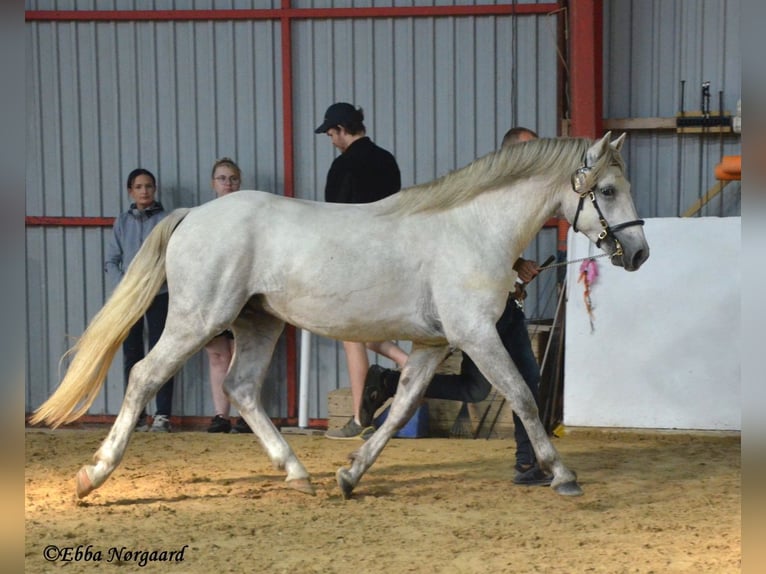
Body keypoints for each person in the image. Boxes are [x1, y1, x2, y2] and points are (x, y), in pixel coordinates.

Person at [360, 127, 554, 485]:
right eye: (531, 150)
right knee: (515, 381)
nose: (539, 156)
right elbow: (471, 249)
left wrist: (518, 265)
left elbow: (499, 250)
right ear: (511, 155)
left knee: (479, 389)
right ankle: (529, 464)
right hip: (476, 303)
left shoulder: (522, 198)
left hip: (502, 301)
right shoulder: (484, 192)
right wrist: (513, 266)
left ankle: (388, 382)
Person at [314, 102, 410, 440]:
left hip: (353, 260)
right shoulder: (387, 160)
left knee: (352, 336)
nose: (331, 140)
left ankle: (359, 417)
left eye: (331, 134)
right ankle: (402, 362)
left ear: (342, 130)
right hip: (388, 256)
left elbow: (335, 221)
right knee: (363, 333)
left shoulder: (343, 167)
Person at [105, 168, 174, 432]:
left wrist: (156, 280)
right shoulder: (122, 222)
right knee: (132, 355)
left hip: (160, 293)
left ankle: (162, 414)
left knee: (162, 353)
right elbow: (111, 260)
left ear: (154, 190)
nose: (144, 191)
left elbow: (172, 258)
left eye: (148, 186)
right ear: (130, 191)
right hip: (130, 297)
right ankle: (135, 412)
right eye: (138, 186)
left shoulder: (167, 220)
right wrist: (126, 286)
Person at [204, 158, 252, 434]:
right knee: (217, 354)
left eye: (232, 178)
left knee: (242, 352)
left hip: (244, 292)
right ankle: (220, 415)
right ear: (213, 184)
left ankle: (246, 413)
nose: (228, 183)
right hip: (215, 292)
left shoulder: (248, 215)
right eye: (222, 178)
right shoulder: (204, 217)